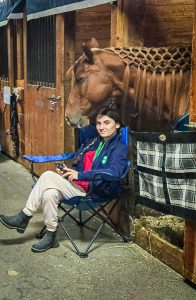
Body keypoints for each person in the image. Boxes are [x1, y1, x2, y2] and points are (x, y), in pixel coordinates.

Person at [0, 108, 128, 253]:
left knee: (47, 176)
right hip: (80, 186)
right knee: (50, 192)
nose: (101, 127)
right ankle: (50, 235)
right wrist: (68, 172)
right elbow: (79, 164)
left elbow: (114, 172)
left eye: (107, 123)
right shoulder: (94, 142)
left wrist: (80, 176)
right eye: (99, 123)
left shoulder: (119, 148)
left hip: (95, 192)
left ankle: (24, 216)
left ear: (117, 125)